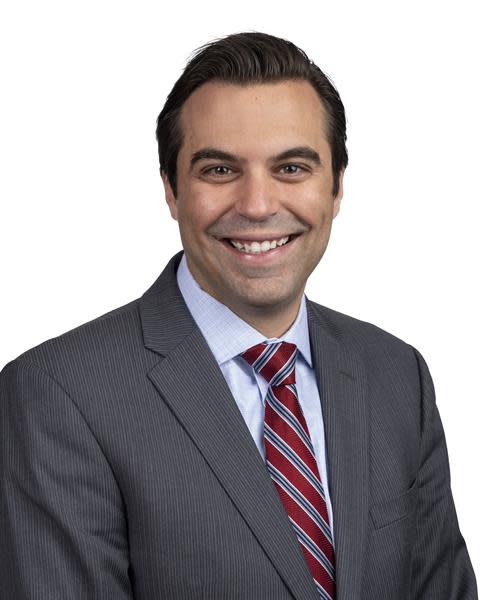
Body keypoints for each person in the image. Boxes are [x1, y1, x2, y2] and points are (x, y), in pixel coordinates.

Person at [0, 31, 477, 600]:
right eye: (220, 170)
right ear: (171, 190)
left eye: (292, 168)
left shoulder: (398, 374)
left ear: (336, 188)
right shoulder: (56, 394)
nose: (257, 205)